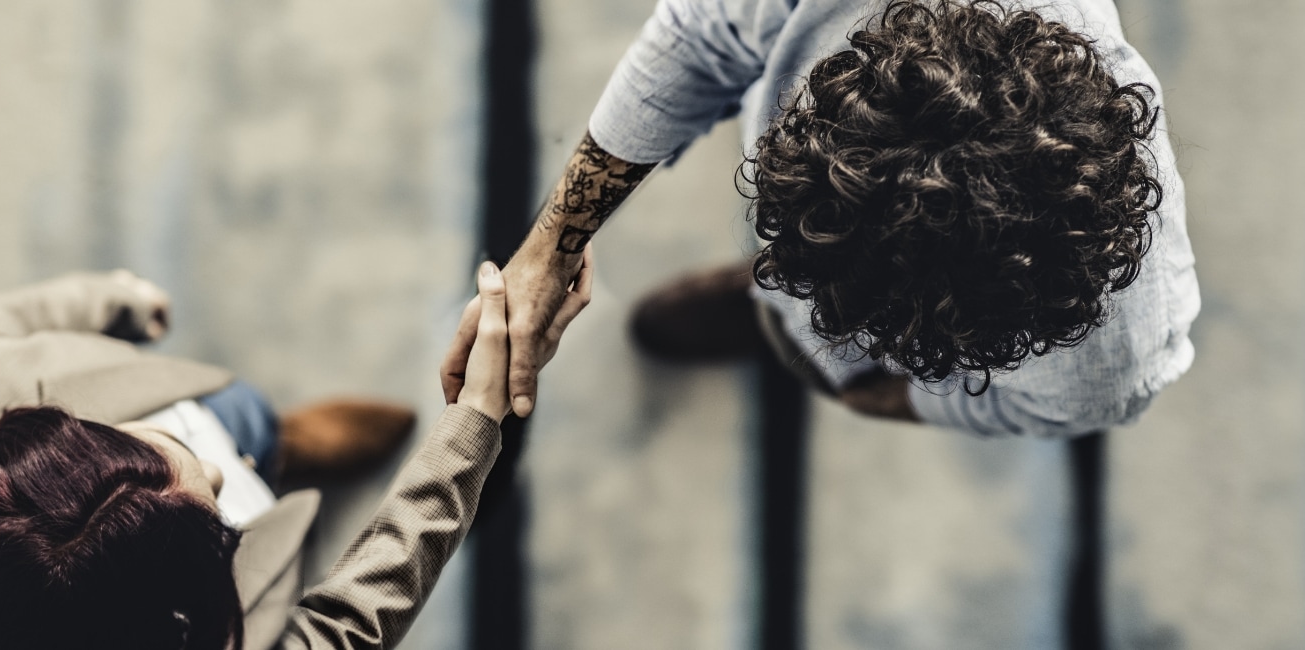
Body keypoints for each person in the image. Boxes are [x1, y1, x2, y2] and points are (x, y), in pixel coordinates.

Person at [452, 0, 1199, 437]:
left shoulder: (1113, 351)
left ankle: (778, 323)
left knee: (813, 342)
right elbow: (700, 36)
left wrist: (886, 396)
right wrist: (550, 248)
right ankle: (771, 309)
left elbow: (1070, 402)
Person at [0, 261, 590, 649]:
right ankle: (281, 453)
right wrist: (475, 420)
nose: (215, 468)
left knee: (245, 423)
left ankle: (287, 443)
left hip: (202, 404)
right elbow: (351, 621)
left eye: (159, 446)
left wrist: (112, 299)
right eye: (216, 523)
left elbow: (3, 319)